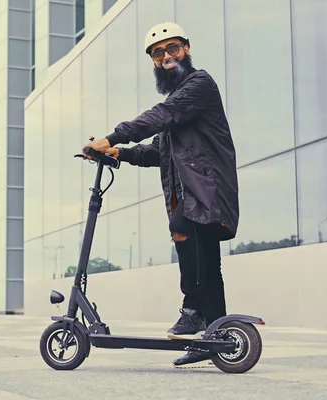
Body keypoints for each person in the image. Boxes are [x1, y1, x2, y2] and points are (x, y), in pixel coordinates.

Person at [82, 22, 239, 367]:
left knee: (182, 226)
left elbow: (162, 115)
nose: (166, 57)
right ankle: (217, 339)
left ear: (186, 49)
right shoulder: (176, 103)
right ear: (153, 62)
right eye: (158, 53)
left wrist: (114, 136)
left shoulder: (199, 85)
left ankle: (194, 309)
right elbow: (156, 151)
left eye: (173, 49)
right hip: (194, 193)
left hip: (208, 190)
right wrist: (118, 153)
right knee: (209, 265)